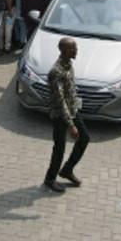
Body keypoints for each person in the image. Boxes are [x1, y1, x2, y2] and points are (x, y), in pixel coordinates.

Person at [43, 37, 89, 193]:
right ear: (64, 50)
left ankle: (67, 170)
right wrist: (71, 125)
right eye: (73, 48)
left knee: (84, 138)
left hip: (72, 110)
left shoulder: (69, 64)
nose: (76, 50)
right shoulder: (56, 72)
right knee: (59, 148)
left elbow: (71, 90)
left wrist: (76, 108)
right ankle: (50, 179)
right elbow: (60, 99)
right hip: (60, 115)